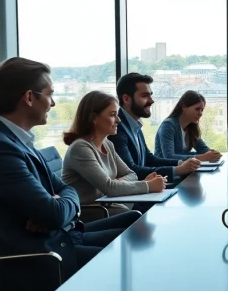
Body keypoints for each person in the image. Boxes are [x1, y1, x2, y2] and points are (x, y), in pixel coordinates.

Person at [0, 57, 140, 291]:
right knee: (129, 258)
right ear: (29, 97)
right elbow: (55, 212)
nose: (54, 102)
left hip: (58, 239)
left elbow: (64, 193)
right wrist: (56, 208)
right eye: (50, 94)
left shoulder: (15, 140)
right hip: (39, 260)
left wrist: (58, 205)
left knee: (134, 228)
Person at [61, 91, 167, 219]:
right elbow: (110, 188)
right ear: (94, 118)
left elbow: (131, 175)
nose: (118, 120)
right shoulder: (80, 148)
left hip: (111, 205)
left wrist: (116, 183)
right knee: (145, 215)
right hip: (92, 213)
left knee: (155, 210)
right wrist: (147, 185)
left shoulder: (108, 144)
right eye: (112, 115)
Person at [109, 73, 200, 184]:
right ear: (126, 99)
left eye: (150, 95)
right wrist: (178, 170)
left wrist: (180, 163)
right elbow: (131, 171)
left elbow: (149, 159)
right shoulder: (117, 129)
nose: (151, 101)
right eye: (144, 96)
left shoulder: (134, 124)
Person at [155, 90, 222, 161]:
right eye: (197, 109)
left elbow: (203, 150)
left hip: (184, 170)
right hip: (164, 170)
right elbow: (169, 157)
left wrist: (213, 154)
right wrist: (202, 157)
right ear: (184, 107)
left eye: (202, 110)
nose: (200, 113)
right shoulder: (168, 125)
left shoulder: (191, 128)